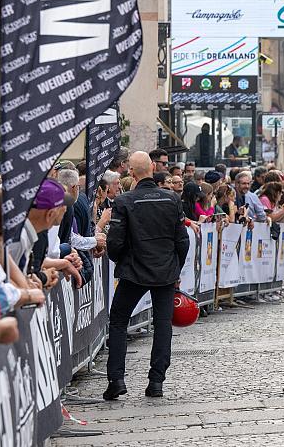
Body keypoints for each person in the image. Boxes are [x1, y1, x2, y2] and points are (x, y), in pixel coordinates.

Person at [104, 151, 189, 400]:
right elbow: (181, 240)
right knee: (163, 324)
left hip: (134, 270)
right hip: (164, 270)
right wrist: (175, 268)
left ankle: (117, 379)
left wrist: (120, 260)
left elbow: (115, 242)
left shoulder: (124, 201)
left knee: (119, 321)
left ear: (131, 172)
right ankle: (156, 382)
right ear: (152, 167)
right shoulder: (172, 199)